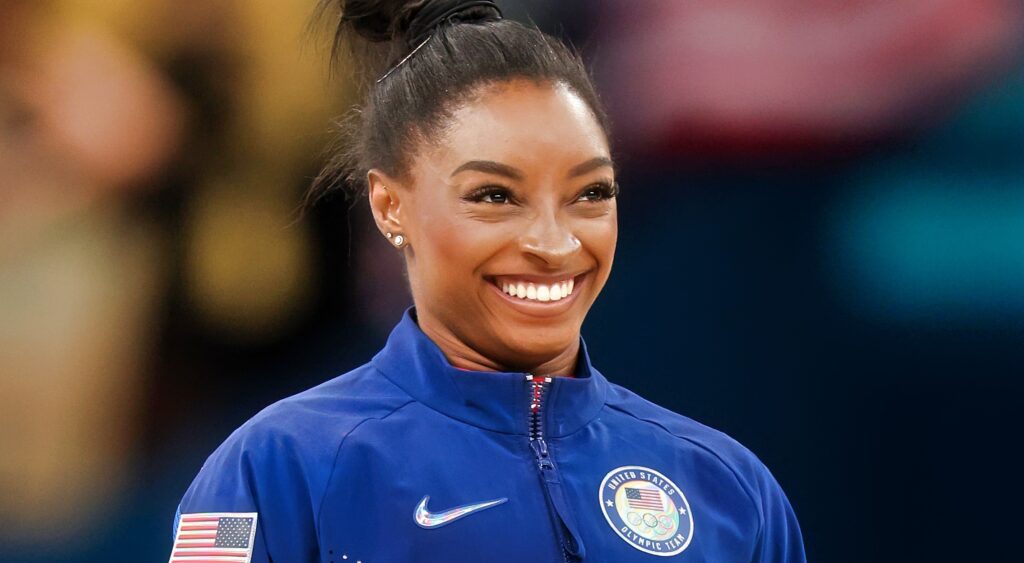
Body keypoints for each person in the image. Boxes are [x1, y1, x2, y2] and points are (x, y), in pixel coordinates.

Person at [169, 1, 806, 561]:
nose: (555, 243)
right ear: (391, 207)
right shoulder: (267, 468)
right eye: (496, 195)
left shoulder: (731, 488)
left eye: (591, 193)